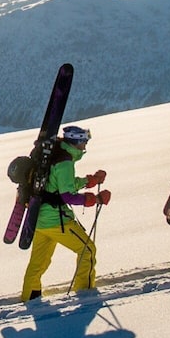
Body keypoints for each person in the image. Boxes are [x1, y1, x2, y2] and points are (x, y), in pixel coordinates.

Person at [22, 125, 112, 301]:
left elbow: (59, 185)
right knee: (87, 250)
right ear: (76, 141)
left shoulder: (54, 154)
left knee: (38, 263)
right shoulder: (65, 162)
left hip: (40, 219)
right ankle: (85, 294)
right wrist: (96, 199)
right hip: (57, 221)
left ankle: (29, 297)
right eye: (84, 140)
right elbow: (68, 196)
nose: (86, 145)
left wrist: (90, 181)